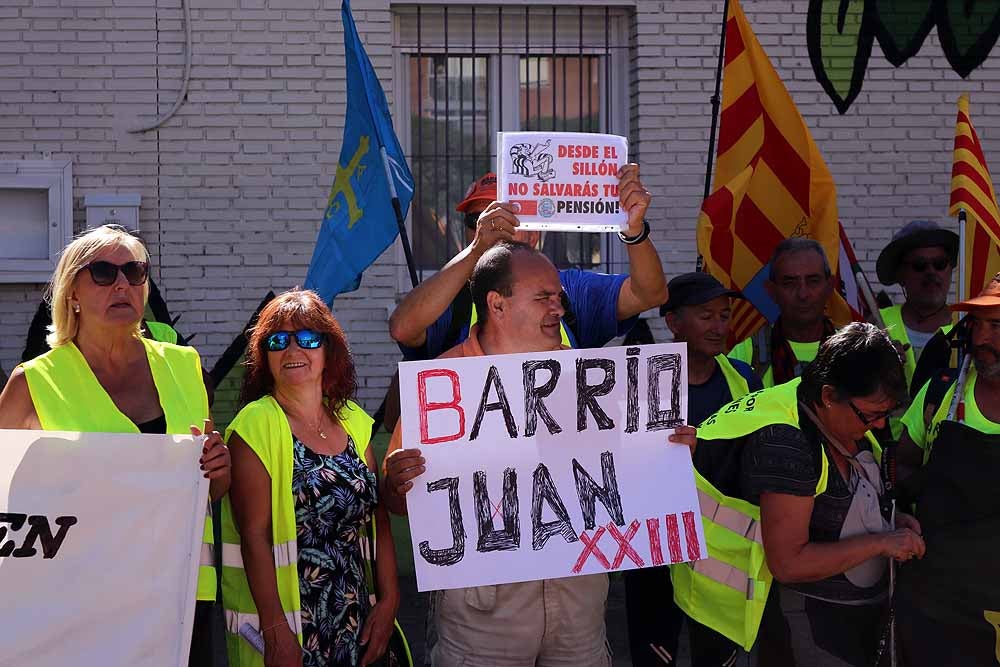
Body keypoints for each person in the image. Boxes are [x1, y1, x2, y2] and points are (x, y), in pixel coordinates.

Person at [382, 241, 696, 667]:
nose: (559, 308)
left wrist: (668, 450)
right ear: (498, 304)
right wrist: (399, 483)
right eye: (544, 297)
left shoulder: (594, 380)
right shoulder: (443, 385)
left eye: (559, 297)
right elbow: (398, 503)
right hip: (483, 618)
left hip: (579, 605)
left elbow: (628, 470)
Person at [0, 224, 230, 667]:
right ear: (72, 293)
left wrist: (219, 470)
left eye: (135, 272)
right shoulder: (34, 381)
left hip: (179, 594)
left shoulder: (186, 367)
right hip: (78, 600)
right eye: (103, 273)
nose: (122, 283)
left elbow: (209, 488)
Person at [691, 323, 925, 666]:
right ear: (829, 396)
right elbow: (788, 563)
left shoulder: (837, 414)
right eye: (872, 415)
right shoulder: (786, 444)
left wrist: (890, 519)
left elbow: (852, 494)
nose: (878, 425)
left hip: (842, 622)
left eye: (884, 414)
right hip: (789, 623)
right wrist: (883, 543)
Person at [221, 289, 400, 667]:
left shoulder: (353, 420)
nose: (292, 351)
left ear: (327, 350)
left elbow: (377, 517)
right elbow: (254, 537)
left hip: (356, 616)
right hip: (294, 624)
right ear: (264, 355)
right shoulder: (255, 426)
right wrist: (274, 630)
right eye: (277, 341)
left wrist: (389, 602)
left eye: (306, 339)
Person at [388, 165, 668, 362]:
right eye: (477, 220)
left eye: (507, 217)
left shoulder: (568, 290)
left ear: (533, 233)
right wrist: (477, 250)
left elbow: (650, 294)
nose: (491, 226)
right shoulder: (451, 297)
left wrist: (634, 231)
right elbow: (403, 328)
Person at [624, 272, 762, 667]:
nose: (719, 326)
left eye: (724, 315)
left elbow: (755, 455)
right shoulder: (636, 380)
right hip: (655, 553)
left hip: (721, 556)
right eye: (706, 316)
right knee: (653, 655)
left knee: (717, 656)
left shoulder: (744, 380)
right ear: (673, 321)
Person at [894, 272, 1000, 666]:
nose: (983, 339)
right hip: (936, 603)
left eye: (997, 325)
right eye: (978, 324)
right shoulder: (940, 390)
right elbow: (902, 463)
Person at [729, 238, 837, 387]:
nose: (803, 294)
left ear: (830, 286)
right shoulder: (745, 356)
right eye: (790, 283)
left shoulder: (856, 353)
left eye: (813, 281)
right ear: (771, 291)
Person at [876, 220, 959, 394]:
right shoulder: (877, 325)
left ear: (950, 269)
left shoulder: (969, 326)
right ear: (900, 275)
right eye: (919, 265)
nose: (931, 272)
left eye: (940, 264)